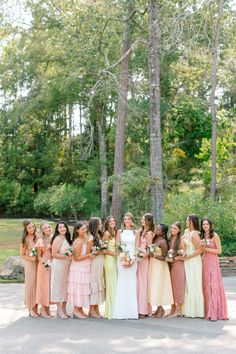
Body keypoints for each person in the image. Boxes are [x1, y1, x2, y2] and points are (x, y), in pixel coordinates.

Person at [200, 218, 228, 321]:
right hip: (204, 261)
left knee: (213, 286)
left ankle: (215, 313)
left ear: (210, 225)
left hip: (213, 262)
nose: (205, 226)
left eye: (207, 224)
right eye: (203, 224)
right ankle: (208, 311)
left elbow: (219, 251)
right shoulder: (202, 236)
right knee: (206, 286)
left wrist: (206, 249)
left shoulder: (214, 235)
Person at [113, 212, 138, 319]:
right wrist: (123, 258)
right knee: (122, 282)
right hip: (122, 259)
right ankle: (120, 311)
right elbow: (117, 246)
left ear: (132, 220)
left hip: (133, 259)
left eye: (129, 219)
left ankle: (131, 312)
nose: (126, 221)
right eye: (125, 219)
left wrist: (132, 260)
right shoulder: (119, 232)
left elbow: (137, 248)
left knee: (131, 283)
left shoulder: (136, 232)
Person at [68, 221, 93, 319]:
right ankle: (76, 310)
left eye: (85, 228)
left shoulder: (85, 239)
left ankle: (80, 308)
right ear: (77, 231)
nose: (85, 230)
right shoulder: (78, 241)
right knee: (78, 288)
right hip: (78, 268)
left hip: (85, 266)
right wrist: (89, 255)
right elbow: (76, 258)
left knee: (83, 288)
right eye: (82, 229)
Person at [148, 223, 173, 318]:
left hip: (160, 266)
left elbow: (164, 257)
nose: (156, 230)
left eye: (158, 229)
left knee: (159, 286)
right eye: (156, 228)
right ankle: (159, 309)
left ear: (162, 232)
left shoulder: (163, 242)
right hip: (153, 265)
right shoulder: (155, 239)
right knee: (154, 286)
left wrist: (153, 255)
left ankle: (160, 308)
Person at [182, 214, 204, 318]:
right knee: (188, 283)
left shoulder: (195, 234)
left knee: (194, 282)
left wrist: (188, 256)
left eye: (187, 220)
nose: (186, 222)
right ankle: (187, 309)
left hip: (194, 260)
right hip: (187, 259)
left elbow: (200, 250)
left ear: (191, 222)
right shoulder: (186, 232)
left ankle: (196, 311)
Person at [50, 221, 72, 319]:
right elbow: (54, 254)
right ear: (57, 230)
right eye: (60, 227)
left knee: (66, 287)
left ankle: (64, 308)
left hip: (67, 266)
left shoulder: (67, 238)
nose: (62, 228)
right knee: (58, 286)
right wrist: (66, 255)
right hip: (59, 265)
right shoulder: (57, 239)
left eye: (64, 226)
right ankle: (59, 309)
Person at [136, 213, 154, 317]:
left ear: (148, 221)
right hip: (138, 259)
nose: (142, 221)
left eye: (144, 219)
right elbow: (137, 245)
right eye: (142, 219)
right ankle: (138, 308)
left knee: (143, 284)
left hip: (144, 260)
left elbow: (150, 248)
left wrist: (142, 256)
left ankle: (144, 310)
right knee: (139, 283)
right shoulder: (140, 231)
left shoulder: (149, 233)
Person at [20, 220, 39, 317]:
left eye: (33, 226)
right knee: (31, 285)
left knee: (37, 285)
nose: (32, 229)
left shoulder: (38, 236)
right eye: (29, 228)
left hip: (39, 264)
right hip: (30, 265)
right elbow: (22, 255)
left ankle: (36, 306)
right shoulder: (25, 239)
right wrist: (31, 258)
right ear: (26, 229)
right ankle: (30, 307)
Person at [166, 221, 185, 317]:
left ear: (179, 230)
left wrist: (173, 258)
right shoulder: (169, 238)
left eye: (175, 228)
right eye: (172, 228)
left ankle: (178, 309)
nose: (172, 230)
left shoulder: (180, 240)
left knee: (178, 286)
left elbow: (184, 256)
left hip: (178, 265)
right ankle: (172, 308)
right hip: (170, 265)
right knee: (171, 286)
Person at [35, 221, 53, 318]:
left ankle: (48, 307)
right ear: (42, 230)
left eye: (48, 227)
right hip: (44, 266)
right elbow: (39, 256)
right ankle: (43, 309)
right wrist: (45, 263)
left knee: (49, 287)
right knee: (43, 287)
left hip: (52, 265)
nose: (47, 229)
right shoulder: (40, 240)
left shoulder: (53, 237)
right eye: (45, 228)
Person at [88, 217, 105, 318]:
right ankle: (91, 308)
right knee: (94, 283)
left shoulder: (99, 235)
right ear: (95, 225)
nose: (101, 225)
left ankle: (96, 306)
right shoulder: (91, 237)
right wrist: (100, 251)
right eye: (99, 224)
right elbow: (90, 252)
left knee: (99, 282)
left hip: (100, 262)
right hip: (94, 262)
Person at [103, 216, 118, 319]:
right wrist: (115, 254)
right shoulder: (107, 234)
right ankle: (110, 311)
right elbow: (104, 250)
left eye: (113, 221)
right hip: (109, 260)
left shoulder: (116, 232)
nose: (112, 222)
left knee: (115, 284)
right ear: (107, 223)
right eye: (110, 221)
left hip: (116, 261)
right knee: (111, 284)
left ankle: (117, 309)